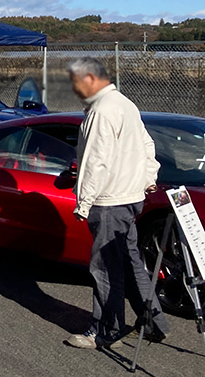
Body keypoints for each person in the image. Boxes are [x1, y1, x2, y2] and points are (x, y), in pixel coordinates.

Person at [63, 57, 168, 349]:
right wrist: (148, 178)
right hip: (130, 197)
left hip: (108, 200)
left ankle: (105, 330)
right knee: (130, 261)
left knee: (105, 267)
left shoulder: (101, 111)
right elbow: (148, 145)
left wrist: (83, 203)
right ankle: (153, 322)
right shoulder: (126, 105)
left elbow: (95, 161)